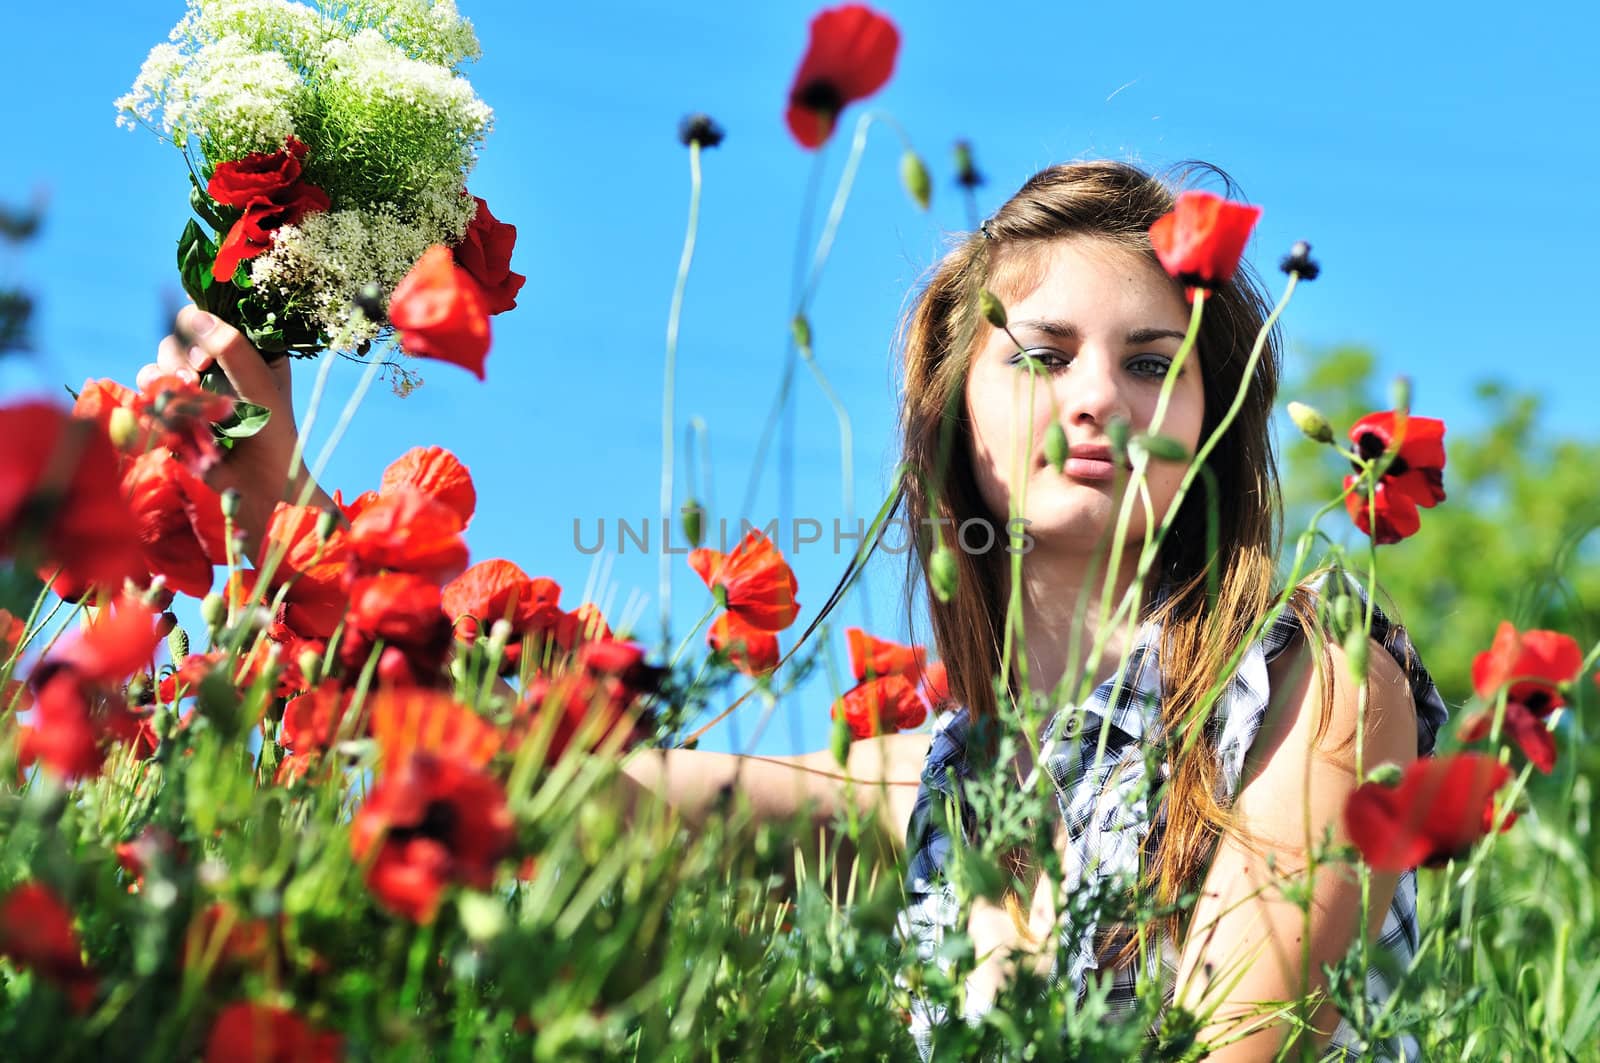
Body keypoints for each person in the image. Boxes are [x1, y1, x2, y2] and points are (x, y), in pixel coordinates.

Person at [141, 159, 1446, 1061]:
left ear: (1215, 427)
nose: (1098, 395)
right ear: (958, 427)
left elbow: (1235, 1044)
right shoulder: (935, 786)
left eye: (1155, 362)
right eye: (1042, 357)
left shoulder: (1315, 679)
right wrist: (274, 493)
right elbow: (547, 779)